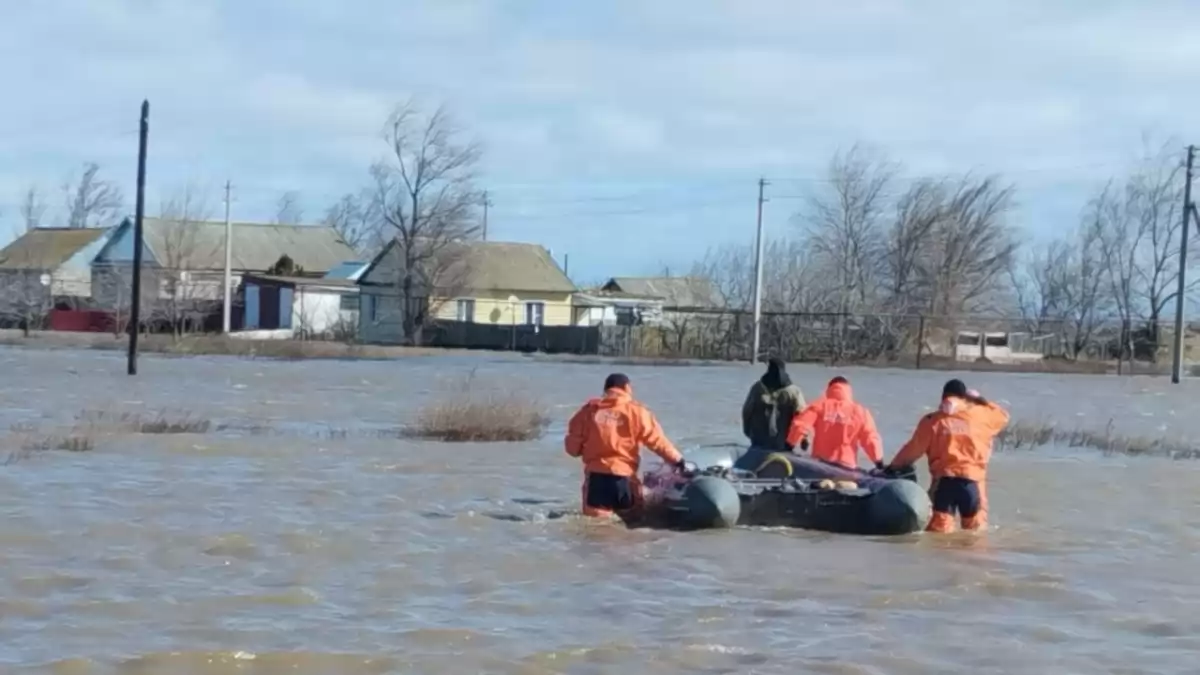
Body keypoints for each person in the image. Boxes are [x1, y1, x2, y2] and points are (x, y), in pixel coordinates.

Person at [885, 378, 1010, 534]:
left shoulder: (932, 421)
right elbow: (1003, 416)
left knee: (938, 537)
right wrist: (980, 400)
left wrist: (892, 467)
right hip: (973, 484)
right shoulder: (982, 416)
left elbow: (912, 450)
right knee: (975, 536)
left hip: (944, 484)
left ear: (943, 397)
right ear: (964, 398)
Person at [564, 373, 686, 520]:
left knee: (597, 530)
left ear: (606, 390)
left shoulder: (587, 412)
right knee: (632, 526)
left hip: (596, 481)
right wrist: (678, 461)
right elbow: (657, 442)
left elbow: (572, 450)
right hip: (624, 479)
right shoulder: (638, 412)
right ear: (627, 388)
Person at [783, 376, 884, 470]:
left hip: (820, 465)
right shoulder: (861, 412)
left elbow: (800, 425)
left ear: (829, 389)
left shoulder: (819, 406)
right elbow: (870, 438)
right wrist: (879, 462)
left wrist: (789, 446)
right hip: (847, 467)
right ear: (849, 391)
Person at [741, 357, 807, 451]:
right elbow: (803, 417)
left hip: (759, 441)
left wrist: (748, 432)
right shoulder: (794, 392)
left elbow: (746, 412)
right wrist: (803, 438)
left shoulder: (757, 388)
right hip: (784, 444)